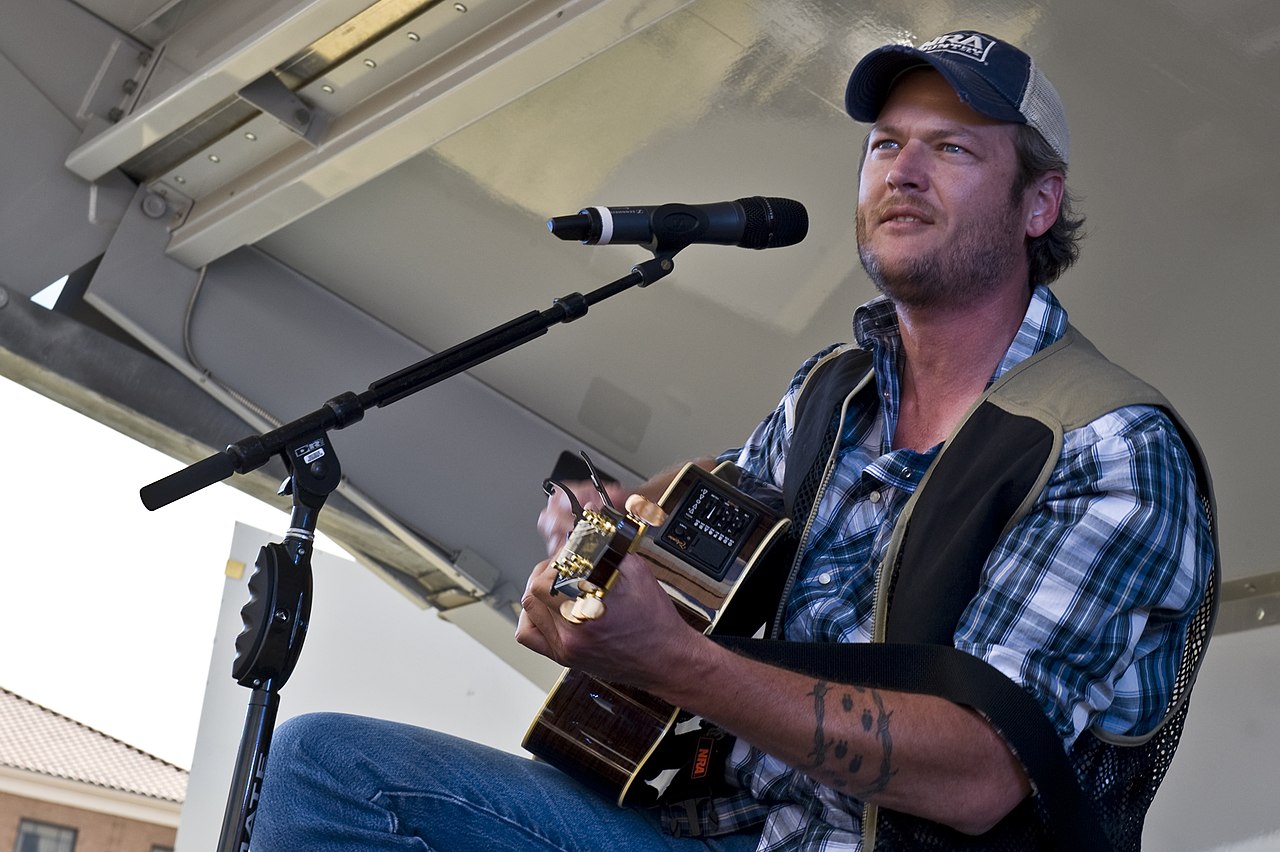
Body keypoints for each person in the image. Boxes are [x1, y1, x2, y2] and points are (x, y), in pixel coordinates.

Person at [251, 30, 1217, 851]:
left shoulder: (1110, 447)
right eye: (885, 144)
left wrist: (672, 660)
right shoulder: (832, 391)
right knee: (328, 767)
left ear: (1038, 204)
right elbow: (705, 517)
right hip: (722, 828)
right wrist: (602, 545)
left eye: (953, 149)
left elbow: (980, 774)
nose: (903, 171)